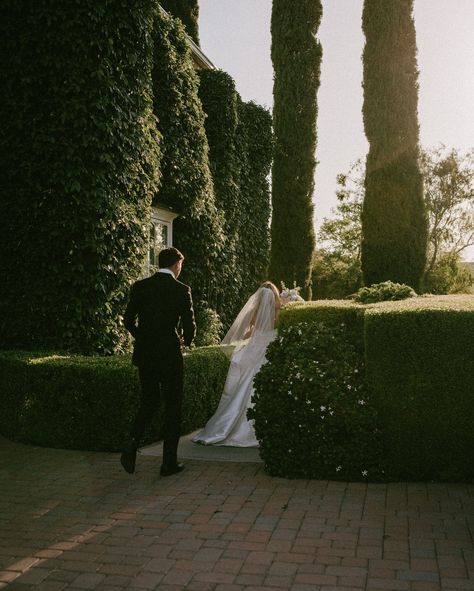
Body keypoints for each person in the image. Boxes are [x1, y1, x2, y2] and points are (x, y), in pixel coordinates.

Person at [120, 247, 195, 477]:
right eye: (180, 265)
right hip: (170, 355)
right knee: (172, 406)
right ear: (176, 265)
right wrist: (187, 341)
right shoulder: (181, 290)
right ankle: (168, 463)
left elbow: (127, 319)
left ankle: (132, 441)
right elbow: (190, 325)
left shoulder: (141, 287)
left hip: (146, 354)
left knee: (149, 401)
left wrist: (141, 336)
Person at [192, 281, 281, 447]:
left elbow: (245, 331)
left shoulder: (254, 311)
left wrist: (247, 338)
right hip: (269, 351)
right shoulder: (279, 313)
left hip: (255, 349)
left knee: (245, 385)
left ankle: (231, 425)